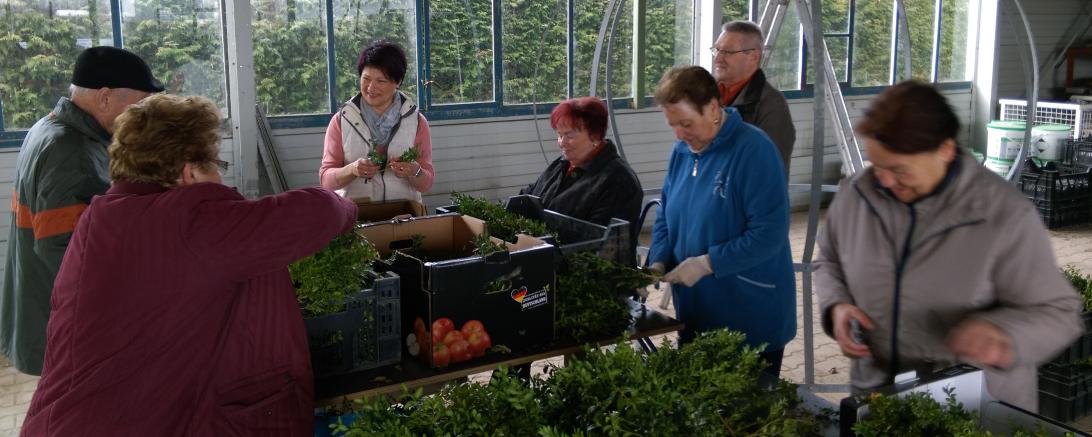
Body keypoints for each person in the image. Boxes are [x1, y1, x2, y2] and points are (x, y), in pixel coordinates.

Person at [21, 94, 358, 435]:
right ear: (190, 172)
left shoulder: (102, 219)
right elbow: (319, 212)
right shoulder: (191, 223)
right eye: (215, 165)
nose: (219, 177)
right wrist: (347, 206)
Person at [814, 81, 1085, 412]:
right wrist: (837, 305)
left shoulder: (1002, 214)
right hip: (879, 392)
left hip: (971, 401)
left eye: (899, 169)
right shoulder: (858, 195)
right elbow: (828, 260)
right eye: (877, 164)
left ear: (945, 149)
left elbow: (1058, 312)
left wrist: (1002, 334)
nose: (883, 180)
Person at [0, 46, 163, 375]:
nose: (144, 115)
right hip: (66, 323)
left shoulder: (49, 127)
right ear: (105, 98)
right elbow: (66, 252)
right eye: (140, 104)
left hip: (43, 307)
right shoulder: (68, 150)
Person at [648, 66, 796, 380]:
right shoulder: (682, 151)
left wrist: (707, 263)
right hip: (697, 311)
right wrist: (658, 260)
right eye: (672, 125)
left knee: (743, 417)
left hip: (747, 315)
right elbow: (666, 213)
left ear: (713, 109)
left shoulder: (754, 150)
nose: (679, 134)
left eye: (686, 123)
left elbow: (769, 234)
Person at [521, 96, 643, 255]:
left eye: (569, 136)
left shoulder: (619, 180)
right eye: (559, 135)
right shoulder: (562, 165)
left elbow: (600, 246)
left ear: (595, 135)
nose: (562, 142)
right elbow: (530, 195)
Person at [321, 40, 434, 203]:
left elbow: (426, 184)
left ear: (397, 82)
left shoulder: (416, 122)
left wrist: (415, 171)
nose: (371, 87)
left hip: (403, 216)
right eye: (366, 78)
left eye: (381, 81)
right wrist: (352, 170)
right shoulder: (341, 121)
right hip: (357, 217)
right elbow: (326, 181)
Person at [712, 21, 795, 177]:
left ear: (753, 57)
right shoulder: (705, 95)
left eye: (728, 52)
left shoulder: (771, 104)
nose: (718, 58)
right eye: (717, 50)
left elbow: (769, 172)